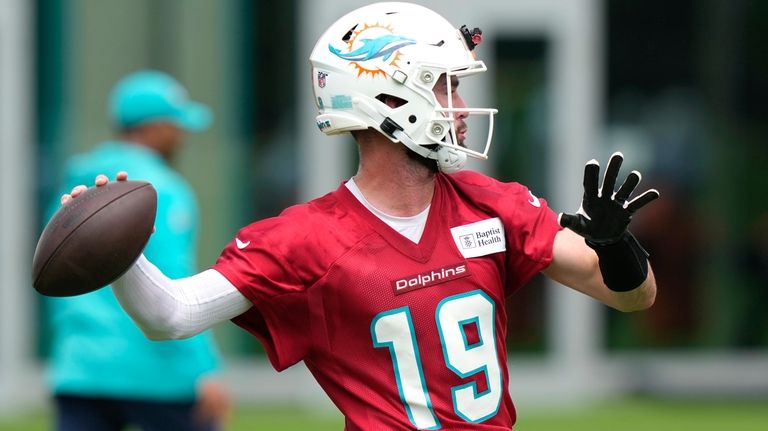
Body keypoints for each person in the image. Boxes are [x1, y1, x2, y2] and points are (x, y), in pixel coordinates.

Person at [63, 4, 659, 430]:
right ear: (389, 99)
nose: (459, 105)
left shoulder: (490, 202)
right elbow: (171, 313)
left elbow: (630, 297)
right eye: (443, 85)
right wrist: (112, 248)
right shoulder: (305, 239)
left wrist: (617, 247)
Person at [47, 70, 230, 431]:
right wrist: (204, 370)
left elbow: (55, 279)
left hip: (82, 367)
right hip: (157, 373)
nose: (181, 136)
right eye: (176, 125)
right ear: (156, 128)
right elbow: (176, 283)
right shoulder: (159, 189)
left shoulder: (76, 185)